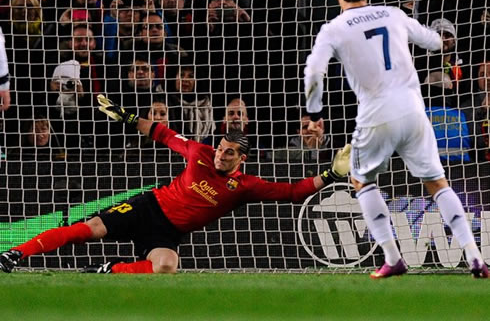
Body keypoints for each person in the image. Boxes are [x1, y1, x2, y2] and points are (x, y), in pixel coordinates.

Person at [0, 94, 352, 274]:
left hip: (168, 233)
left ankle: (110, 269)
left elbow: (291, 193)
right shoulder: (199, 152)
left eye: (229, 154)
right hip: (148, 206)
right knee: (88, 228)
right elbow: (162, 132)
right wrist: (127, 116)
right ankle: (17, 253)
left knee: (167, 266)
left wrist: (330, 175)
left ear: (241, 160)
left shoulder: (245, 185)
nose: (220, 156)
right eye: (220, 149)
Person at [303, 0, 488, 279]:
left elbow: (313, 72)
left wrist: (314, 112)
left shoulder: (332, 28)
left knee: (361, 181)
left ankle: (392, 257)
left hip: (376, 115)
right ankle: (475, 258)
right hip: (415, 111)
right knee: (438, 184)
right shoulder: (393, 14)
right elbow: (433, 41)